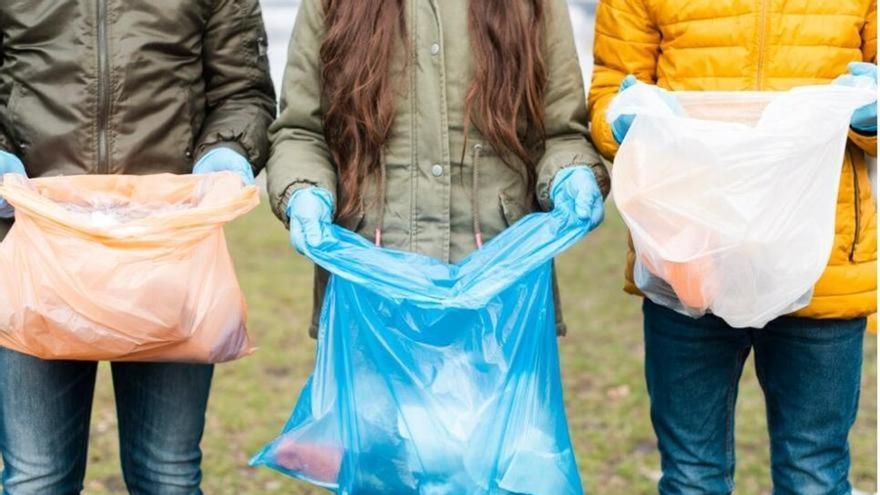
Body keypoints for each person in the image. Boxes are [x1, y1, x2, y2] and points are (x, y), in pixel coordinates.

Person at [588, 1, 877, 493]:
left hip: (819, 266)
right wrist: (622, 120)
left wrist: (869, 118)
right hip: (690, 259)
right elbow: (609, 89)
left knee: (815, 474)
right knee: (692, 476)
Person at [0, 1, 275, 493]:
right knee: (36, 479)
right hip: (34, 250)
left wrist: (227, 151)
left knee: (166, 474)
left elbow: (243, 91)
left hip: (167, 252)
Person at [267, 0, 609, 340]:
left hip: (502, 294)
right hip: (370, 293)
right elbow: (301, 130)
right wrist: (304, 189)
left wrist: (570, 172)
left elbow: (561, 133)